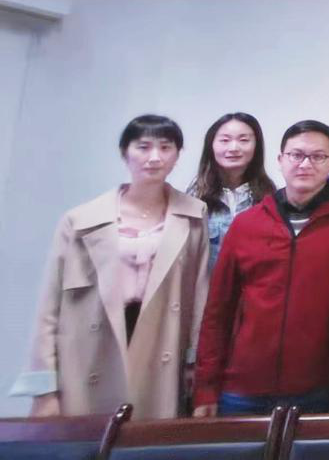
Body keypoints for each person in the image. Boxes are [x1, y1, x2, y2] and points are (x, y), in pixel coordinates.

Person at [11, 115, 210, 419]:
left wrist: (195, 363)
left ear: (177, 155)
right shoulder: (80, 220)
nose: (154, 157)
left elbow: (199, 295)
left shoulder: (194, 215)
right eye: (143, 147)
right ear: (124, 152)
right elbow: (50, 307)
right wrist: (44, 387)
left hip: (160, 341)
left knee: (145, 437)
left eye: (165, 147)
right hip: (92, 346)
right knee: (87, 436)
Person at [194, 120, 329, 415]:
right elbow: (219, 310)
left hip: (321, 386)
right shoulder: (247, 223)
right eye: (296, 155)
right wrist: (205, 388)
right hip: (242, 387)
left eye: (318, 156)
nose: (305, 164)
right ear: (280, 160)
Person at [187, 113, 277, 274]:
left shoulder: (269, 196)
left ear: (256, 146)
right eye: (225, 140)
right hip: (206, 287)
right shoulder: (194, 196)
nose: (234, 148)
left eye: (244, 140)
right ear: (211, 145)